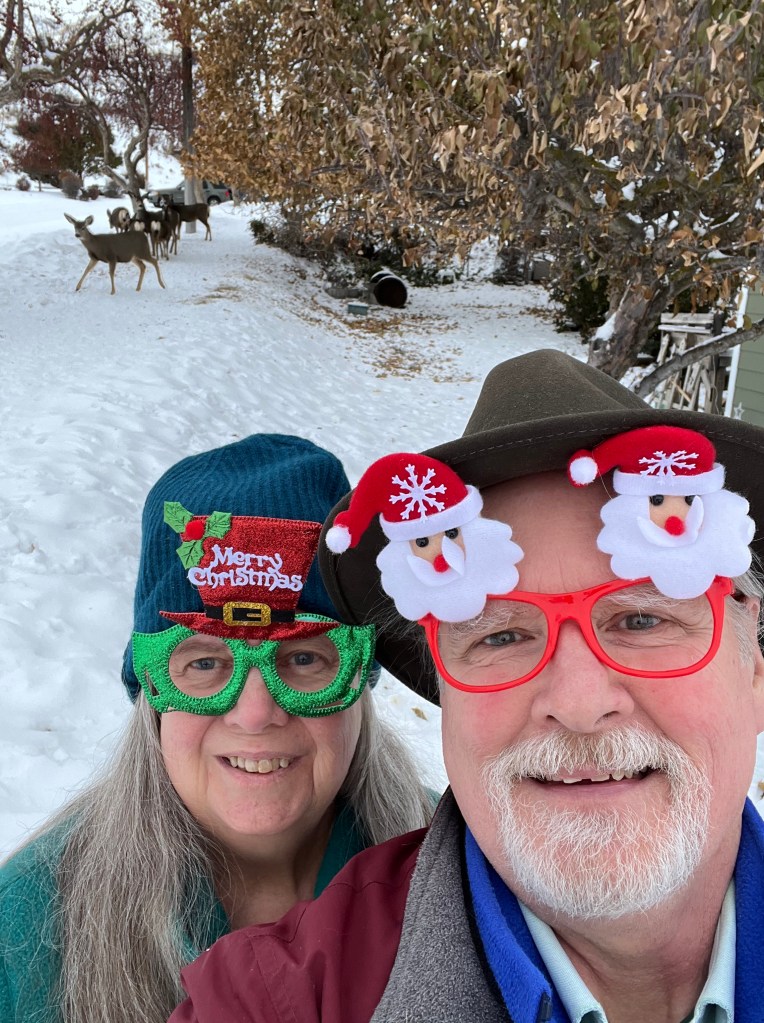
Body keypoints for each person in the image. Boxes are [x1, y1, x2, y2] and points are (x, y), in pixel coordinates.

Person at [168, 350, 764, 1023]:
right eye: (501, 637)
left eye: (642, 619)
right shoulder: (273, 1000)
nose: (578, 703)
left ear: (754, 667)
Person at [0, 433, 433, 1023]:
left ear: (359, 678)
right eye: (204, 664)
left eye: (305, 658)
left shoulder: (468, 874)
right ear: (152, 689)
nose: (254, 714)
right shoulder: (20, 937)